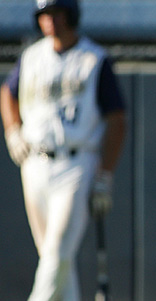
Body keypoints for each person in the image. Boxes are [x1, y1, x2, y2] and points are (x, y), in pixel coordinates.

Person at [0, 0, 126, 300]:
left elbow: (118, 120)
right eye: (44, 15)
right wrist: (12, 130)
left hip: (76, 162)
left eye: (56, 13)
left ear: (71, 14)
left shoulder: (94, 58)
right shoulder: (32, 56)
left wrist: (104, 175)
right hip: (34, 162)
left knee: (56, 252)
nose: (50, 21)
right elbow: (8, 92)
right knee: (55, 259)